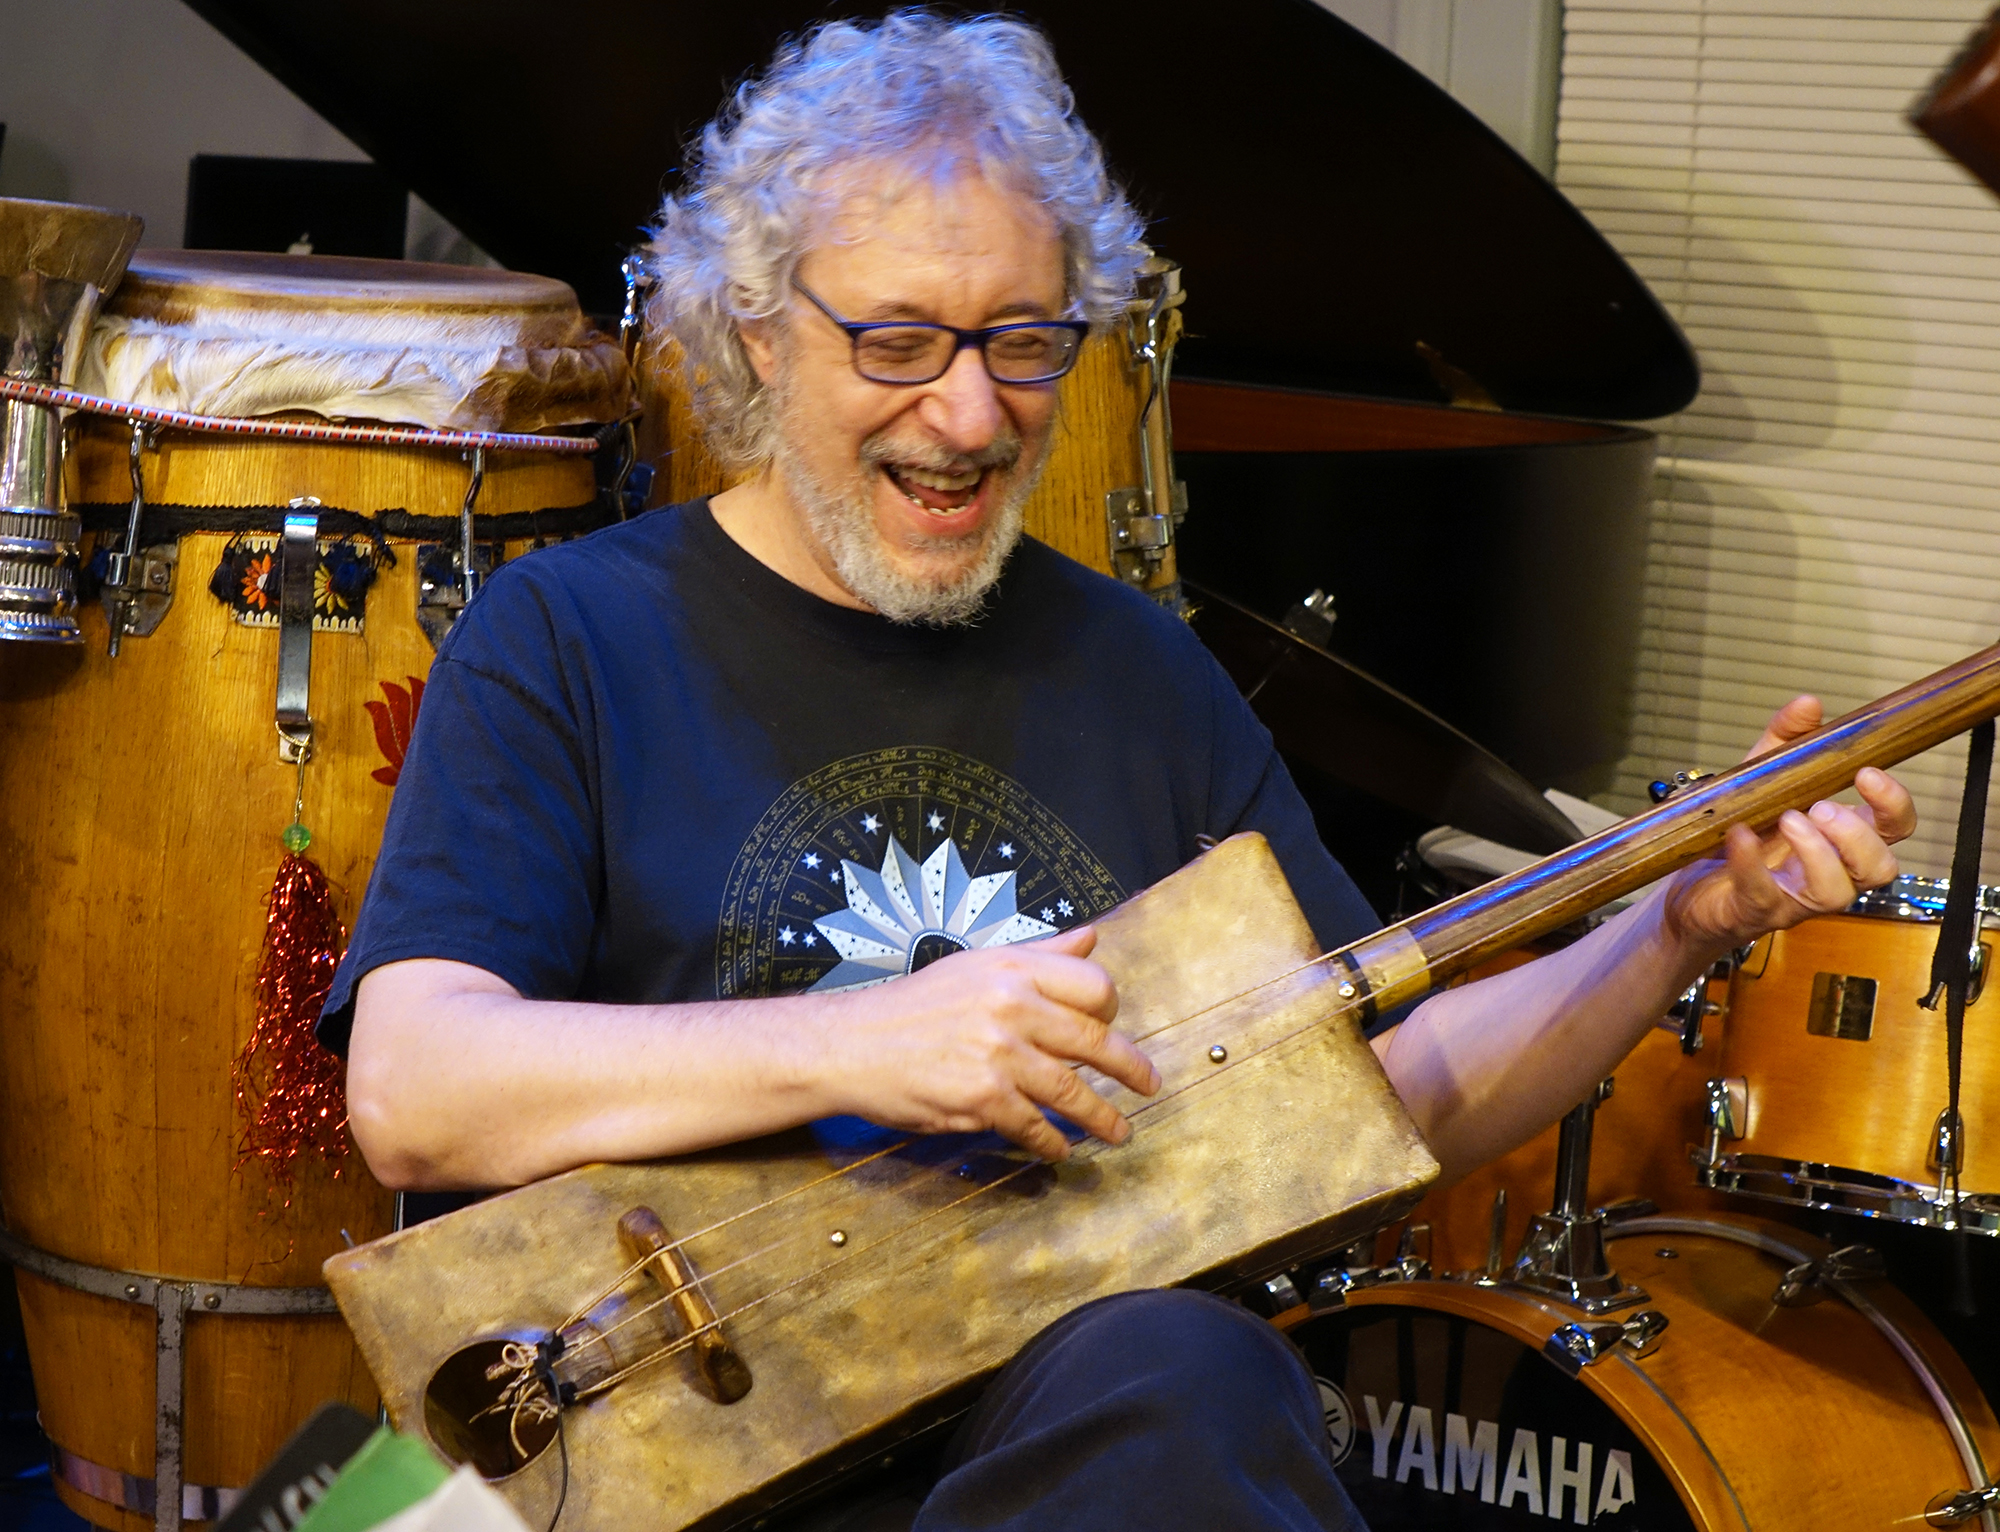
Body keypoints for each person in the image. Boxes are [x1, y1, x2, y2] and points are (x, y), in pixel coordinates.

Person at [319, 13, 1914, 1530]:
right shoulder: (567, 637)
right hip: (665, 1452)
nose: (969, 411)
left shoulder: (1140, 671)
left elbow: (1392, 1079)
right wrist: (865, 1043)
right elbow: (414, 1091)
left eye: (1023, 340)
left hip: (1061, 1447)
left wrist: (1678, 926)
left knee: (1190, 1369)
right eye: (897, 340)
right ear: (754, 327)